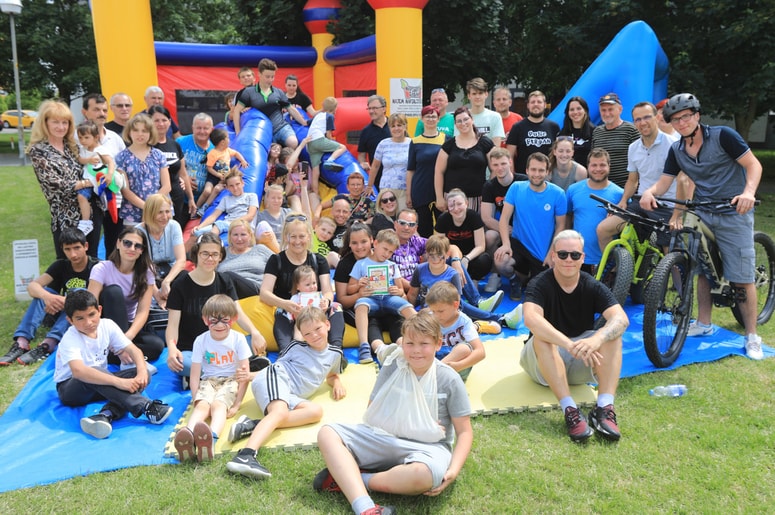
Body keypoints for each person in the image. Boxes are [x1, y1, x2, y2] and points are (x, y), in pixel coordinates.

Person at [639, 93, 765, 359]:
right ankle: (704, 324)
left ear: (697, 116)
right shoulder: (677, 150)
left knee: (742, 277)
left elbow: (753, 165)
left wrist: (748, 192)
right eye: (676, 118)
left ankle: (752, 334)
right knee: (702, 269)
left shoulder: (723, 136)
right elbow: (665, 182)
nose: (682, 122)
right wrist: (650, 192)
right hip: (702, 211)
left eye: (686, 116)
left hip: (734, 210)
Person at [314, 312, 473, 514]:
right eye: (410, 343)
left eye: (424, 344)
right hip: (385, 437)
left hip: (428, 448)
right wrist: (412, 423)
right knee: (327, 433)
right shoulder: (393, 365)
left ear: (438, 344)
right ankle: (366, 508)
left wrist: (453, 470)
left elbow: (465, 431)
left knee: (422, 476)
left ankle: (354, 478)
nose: (416, 351)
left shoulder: (449, 379)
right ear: (402, 343)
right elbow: (373, 411)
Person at [521, 230, 628, 442]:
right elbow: (531, 319)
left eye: (575, 255)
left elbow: (622, 319)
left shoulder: (592, 285)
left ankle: (604, 407)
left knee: (612, 335)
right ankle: (570, 411)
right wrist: (568, 344)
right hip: (542, 364)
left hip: (579, 359)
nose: (568, 259)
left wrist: (597, 339)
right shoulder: (540, 283)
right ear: (553, 256)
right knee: (543, 337)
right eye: (562, 254)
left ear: (583, 258)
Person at [226, 306, 346, 478]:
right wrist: (250, 376)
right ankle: (245, 455)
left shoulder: (335, 354)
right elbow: (274, 369)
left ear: (327, 325)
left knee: (315, 411)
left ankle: (253, 425)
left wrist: (336, 383)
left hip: (290, 395)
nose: (314, 336)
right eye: (307, 334)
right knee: (280, 411)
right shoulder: (296, 347)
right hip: (277, 379)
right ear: (302, 336)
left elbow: (332, 374)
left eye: (317, 329)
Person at [54, 290, 173, 440]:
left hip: (101, 384)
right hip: (71, 389)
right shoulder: (70, 338)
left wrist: (142, 371)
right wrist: (120, 382)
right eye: (80, 318)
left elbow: (134, 350)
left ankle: (105, 415)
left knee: (142, 375)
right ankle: (146, 407)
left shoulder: (107, 325)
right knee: (95, 371)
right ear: (70, 320)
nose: (88, 322)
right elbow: (79, 372)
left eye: (91, 315)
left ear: (99, 310)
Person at [166, 233, 266, 388]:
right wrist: (172, 347)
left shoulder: (224, 280)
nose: (210, 258)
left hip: (223, 346)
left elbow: (237, 312)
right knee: (180, 362)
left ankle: (205, 374)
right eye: (205, 253)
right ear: (196, 254)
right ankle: (240, 369)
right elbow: (172, 325)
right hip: (193, 350)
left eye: (215, 254)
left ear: (220, 257)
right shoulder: (180, 284)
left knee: (249, 343)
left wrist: (255, 332)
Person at [1, 229, 98, 367]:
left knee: (79, 292)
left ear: (86, 246)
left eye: (77, 248)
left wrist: (68, 300)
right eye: (68, 249)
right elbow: (32, 286)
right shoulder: (60, 265)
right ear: (62, 250)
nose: (73, 254)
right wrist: (48, 297)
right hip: (58, 312)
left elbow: (94, 298)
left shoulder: (97, 266)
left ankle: (48, 344)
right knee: (43, 291)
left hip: (83, 315)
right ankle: (22, 342)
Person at [174, 295, 251, 463]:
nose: (220, 325)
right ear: (205, 320)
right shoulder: (201, 340)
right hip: (209, 380)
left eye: (225, 320)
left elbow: (244, 375)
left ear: (234, 319)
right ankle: (188, 435)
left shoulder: (238, 339)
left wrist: (237, 404)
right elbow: (195, 374)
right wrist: (196, 397)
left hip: (231, 380)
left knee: (218, 406)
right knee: (202, 406)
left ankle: (210, 440)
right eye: (213, 320)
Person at [596, 101, 682, 252]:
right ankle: (617, 271)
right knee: (603, 229)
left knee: (669, 256)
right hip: (640, 204)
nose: (642, 123)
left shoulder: (674, 145)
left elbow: (684, 181)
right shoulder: (633, 147)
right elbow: (632, 180)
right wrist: (623, 201)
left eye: (647, 117)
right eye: (638, 119)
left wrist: (678, 213)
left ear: (657, 117)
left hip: (666, 206)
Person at [260, 214, 345, 353]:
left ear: (308, 237)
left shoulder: (319, 260)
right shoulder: (276, 260)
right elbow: (264, 293)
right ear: (286, 237)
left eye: (301, 236)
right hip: (290, 310)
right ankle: (287, 352)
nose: (297, 241)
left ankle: (336, 351)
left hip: (315, 309)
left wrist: (326, 301)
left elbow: (328, 291)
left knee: (336, 306)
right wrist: (285, 304)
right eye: (293, 237)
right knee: (280, 312)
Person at [29, 100, 100, 259]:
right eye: (55, 122)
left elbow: (89, 166)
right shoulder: (38, 150)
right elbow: (53, 183)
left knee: (92, 260)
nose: (61, 127)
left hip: (90, 212)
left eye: (65, 122)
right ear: (45, 123)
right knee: (67, 263)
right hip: (64, 216)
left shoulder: (73, 146)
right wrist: (86, 183)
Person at [408, 235, 521, 333]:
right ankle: (489, 321)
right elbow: (413, 294)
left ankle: (501, 319)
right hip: (427, 314)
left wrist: (444, 312)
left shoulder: (452, 274)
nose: (435, 259)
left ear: (447, 255)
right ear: (426, 254)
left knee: (459, 306)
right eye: (431, 255)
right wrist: (410, 315)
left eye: (439, 256)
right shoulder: (420, 269)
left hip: (447, 311)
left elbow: (457, 302)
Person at [87, 227, 165, 365]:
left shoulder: (147, 272)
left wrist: (127, 338)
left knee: (156, 346)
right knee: (113, 292)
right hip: (104, 327)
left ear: (142, 251)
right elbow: (90, 306)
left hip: (128, 327)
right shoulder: (102, 268)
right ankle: (124, 354)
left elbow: (142, 311)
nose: (132, 248)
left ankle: (114, 354)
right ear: (118, 243)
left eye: (138, 246)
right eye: (127, 243)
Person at [495, 152, 567, 300]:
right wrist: (506, 244)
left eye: (541, 170)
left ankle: (526, 279)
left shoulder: (558, 194)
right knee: (501, 261)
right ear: (527, 170)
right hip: (519, 246)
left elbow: (561, 227)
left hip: (542, 254)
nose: (537, 174)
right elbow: (504, 219)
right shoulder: (516, 188)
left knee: (542, 293)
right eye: (533, 169)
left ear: (547, 172)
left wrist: (551, 253)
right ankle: (515, 280)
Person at [334, 222, 404, 353]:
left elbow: (400, 283)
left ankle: (404, 346)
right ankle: (377, 348)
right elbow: (342, 300)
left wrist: (401, 290)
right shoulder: (346, 264)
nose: (359, 247)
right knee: (372, 320)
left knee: (395, 317)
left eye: (364, 241)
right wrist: (359, 295)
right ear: (349, 244)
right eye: (354, 243)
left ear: (372, 241)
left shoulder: (383, 254)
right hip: (362, 308)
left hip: (385, 304)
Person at [349, 228, 416, 363]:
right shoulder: (361, 264)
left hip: (389, 298)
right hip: (371, 299)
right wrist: (359, 285)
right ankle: (364, 346)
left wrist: (397, 291)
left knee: (408, 308)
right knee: (360, 305)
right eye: (385, 249)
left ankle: (424, 338)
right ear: (375, 243)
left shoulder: (392, 265)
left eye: (390, 252)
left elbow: (401, 290)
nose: (387, 254)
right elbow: (350, 289)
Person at [81, 92, 128, 255]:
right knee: (90, 246)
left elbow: (123, 167)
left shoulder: (115, 138)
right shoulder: (76, 138)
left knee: (115, 245)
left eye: (104, 110)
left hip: (115, 200)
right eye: (96, 110)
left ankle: (113, 278)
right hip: (91, 199)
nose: (102, 114)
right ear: (84, 112)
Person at [566, 148, 623, 270]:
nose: (598, 169)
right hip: (579, 258)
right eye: (594, 165)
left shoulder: (620, 194)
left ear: (609, 166)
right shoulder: (573, 190)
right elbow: (567, 217)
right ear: (588, 167)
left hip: (609, 261)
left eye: (602, 165)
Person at [480, 148, 527, 292]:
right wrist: (505, 229)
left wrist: (517, 229)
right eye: (495, 165)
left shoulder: (523, 181)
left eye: (503, 164)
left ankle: (521, 276)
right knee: (489, 235)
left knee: (527, 278)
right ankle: (496, 274)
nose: (499, 168)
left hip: (525, 231)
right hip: (506, 230)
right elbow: (486, 217)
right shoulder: (489, 186)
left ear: (510, 163)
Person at [234, 58, 307, 146]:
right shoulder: (249, 92)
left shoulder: (278, 92)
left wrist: (304, 123)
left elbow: (291, 109)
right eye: (267, 77)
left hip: (280, 127)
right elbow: (236, 111)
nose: (270, 79)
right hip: (263, 131)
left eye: (272, 77)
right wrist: (238, 133)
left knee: (293, 142)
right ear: (259, 74)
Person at [435, 106, 495, 213]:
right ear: (455, 124)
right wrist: (439, 197)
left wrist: (488, 193)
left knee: (477, 229)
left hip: (479, 199)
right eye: (459, 121)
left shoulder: (485, 143)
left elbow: (495, 169)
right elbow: (439, 172)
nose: (463, 123)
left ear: (472, 119)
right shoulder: (448, 145)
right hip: (452, 199)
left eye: (466, 119)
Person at [117, 113, 171, 227]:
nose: (140, 134)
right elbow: (125, 190)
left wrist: (153, 206)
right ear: (129, 132)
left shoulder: (158, 155)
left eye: (144, 131)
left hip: (160, 210)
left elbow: (167, 186)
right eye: (136, 130)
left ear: (151, 133)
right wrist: (146, 207)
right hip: (133, 212)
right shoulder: (121, 157)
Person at [425, 281, 486, 380]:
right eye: (433, 311)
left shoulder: (464, 321)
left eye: (440, 311)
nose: (436, 315)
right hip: (433, 360)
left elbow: (480, 352)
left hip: (454, 365)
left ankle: (434, 373)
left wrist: (459, 365)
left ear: (455, 305)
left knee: (464, 349)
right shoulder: (429, 317)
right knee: (404, 342)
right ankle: (434, 373)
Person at [136, 194, 186, 308]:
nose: (165, 216)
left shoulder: (174, 226)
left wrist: (166, 282)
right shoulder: (138, 232)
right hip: (146, 274)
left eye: (167, 212)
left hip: (170, 272)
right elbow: (140, 267)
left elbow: (181, 260)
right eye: (160, 212)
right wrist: (158, 296)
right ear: (150, 213)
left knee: (186, 278)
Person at [150, 105, 196, 228]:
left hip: (176, 198)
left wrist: (191, 198)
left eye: (164, 120)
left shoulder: (175, 145)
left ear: (170, 122)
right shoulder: (146, 146)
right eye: (156, 120)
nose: (161, 124)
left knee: (173, 232)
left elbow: (183, 174)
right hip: (154, 199)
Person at [435, 189, 494, 283]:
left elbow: (481, 246)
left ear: (466, 203)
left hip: (471, 256)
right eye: (451, 205)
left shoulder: (473, 216)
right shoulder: (443, 219)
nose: (456, 209)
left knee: (484, 260)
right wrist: (455, 260)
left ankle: (474, 281)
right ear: (447, 208)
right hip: (451, 256)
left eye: (459, 204)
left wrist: (466, 259)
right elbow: (439, 246)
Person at [407, 105, 448, 237]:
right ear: (422, 119)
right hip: (420, 190)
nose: (430, 119)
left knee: (442, 228)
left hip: (440, 191)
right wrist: (409, 195)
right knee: (424, 228)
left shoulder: (446, 139)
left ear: (438, 119)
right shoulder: (415, 141)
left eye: (433, 116)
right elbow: (410, 170)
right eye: (427, 116)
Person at [75, 120, 118, 236]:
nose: (83, 141)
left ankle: (85, 222)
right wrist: (88, 160)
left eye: (86, 137)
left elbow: (111, 162)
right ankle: (86, 221)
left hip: (95, 181)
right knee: (82, 197)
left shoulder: (100, 149)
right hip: (88, 180)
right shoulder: (84, 149)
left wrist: (109, 174)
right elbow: (80, 160)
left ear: (96, 137)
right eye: (80, 138)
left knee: (81, 196)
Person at [591, 93, 639, 188]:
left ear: (620, 109)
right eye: (603, 110)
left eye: (610, 109)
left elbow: (640, 160)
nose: (607, 113)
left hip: (626, 188)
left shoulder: (631, 130)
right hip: (602, 188)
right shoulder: (597, 132)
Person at [193, 168, 258, 238]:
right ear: (227, 187)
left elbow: (250, 216)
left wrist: (232, 223)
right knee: (196, 233)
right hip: (226, 225)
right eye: (231, 186)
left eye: (237, 184)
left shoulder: (251, 196)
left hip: (242, 225)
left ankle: (211, 242)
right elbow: (213, 216)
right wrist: (199, 227)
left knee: (219, 225)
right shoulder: (226, 199)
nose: (235, 188)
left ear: (243, 183)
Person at [506, 90, 560, 176]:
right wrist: (513, 176)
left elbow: (558, 154)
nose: (536, 104)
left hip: (548, 176)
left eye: (539, 102)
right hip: (523, 176)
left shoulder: (553, 127)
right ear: (528, 105)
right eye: (533, 102)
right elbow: (509, 156)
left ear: (545, 105)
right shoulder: (518, 127)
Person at [217, 219, 274, 297]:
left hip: (256, 290)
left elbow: (281, 264)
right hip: (226, 294)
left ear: (250, 235)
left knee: (228, 276)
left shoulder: (260, 250)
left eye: (243, 234)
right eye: (235, 235)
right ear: (230, 236)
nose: (239, 239)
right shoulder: (222, 253)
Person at [367, 113, 411, 209]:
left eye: (399, 125)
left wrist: (410, 192)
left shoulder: (412, 144)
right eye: (393, 126)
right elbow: (375, 166)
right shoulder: (383, 144)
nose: (396, 129)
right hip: (386, 188)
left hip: (405, 190)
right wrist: (369, 186)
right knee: (385, 220)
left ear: (405, 126)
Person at [306, 97, 347, 193]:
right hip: (318, 140)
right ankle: (330, 161)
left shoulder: (318, 115)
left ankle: (315, 193)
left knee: (315, 171)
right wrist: (332, 142)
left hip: (310, 145)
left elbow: (308, 123)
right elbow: (328, 134)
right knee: (342, 147)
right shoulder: (329, 116)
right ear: (335, 108)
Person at [177, 113, 214, 209]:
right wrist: (184, 178)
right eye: (198, 128)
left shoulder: (215, 148)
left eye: (206, 128)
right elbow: (168, 168)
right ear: (193, 128)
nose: (202, 131)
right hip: (180, 199)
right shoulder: (180, 142)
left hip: (203, 202)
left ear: (211, 129)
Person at [460, 77, 505, 147]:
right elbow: (459, 143)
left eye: (480, 93)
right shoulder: (462, 117)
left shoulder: (495, 117)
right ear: (469, 96)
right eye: (474, 94)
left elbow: (496, 148)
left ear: (486, 94)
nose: (477, 96)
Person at [357, 94, 390, 187]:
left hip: (397, 179)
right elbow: (361, 155)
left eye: (374, 108)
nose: (371, 111)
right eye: (369, 108)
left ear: (384, 109)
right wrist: (362, 163)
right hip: (376, 180)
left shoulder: (395, 126)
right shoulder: (366, 131)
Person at [559, 96, 596, 167]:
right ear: (568, 112)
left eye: (579, 109)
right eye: (572, 109)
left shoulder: (595, 131)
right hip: (568, 175)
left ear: (585, 110)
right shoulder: (562, 134)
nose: (575, 112)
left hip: (590, 175)